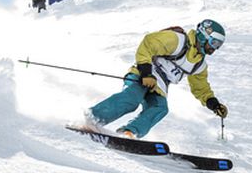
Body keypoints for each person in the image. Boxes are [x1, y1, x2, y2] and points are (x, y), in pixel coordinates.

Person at [85, 19, 228, 139]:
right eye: (214, 43)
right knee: (131, 99)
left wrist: (213, 104)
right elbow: (149, 44)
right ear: (204, 35)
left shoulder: (199, 64)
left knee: (160, 108)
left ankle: (129, 132)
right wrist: (146, 73)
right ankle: (92, 118)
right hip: (143, 74)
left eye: (218, 46)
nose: (214, 49)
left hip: (159, 86)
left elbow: (200, 88)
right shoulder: (177, 40)